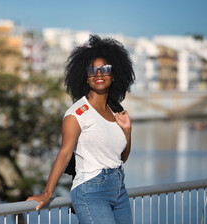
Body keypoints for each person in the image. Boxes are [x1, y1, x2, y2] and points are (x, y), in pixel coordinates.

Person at [27, 35, 135, 224]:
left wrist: (127, 131)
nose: (99, 74)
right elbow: (65, 153)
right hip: (91, 190)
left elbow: (121, 158)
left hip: (119, 189)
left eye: (105, 69)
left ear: (114, 74)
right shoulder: (76, 113)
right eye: (92, 70)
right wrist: (47, 192)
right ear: (85, 76)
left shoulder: (115, 112)